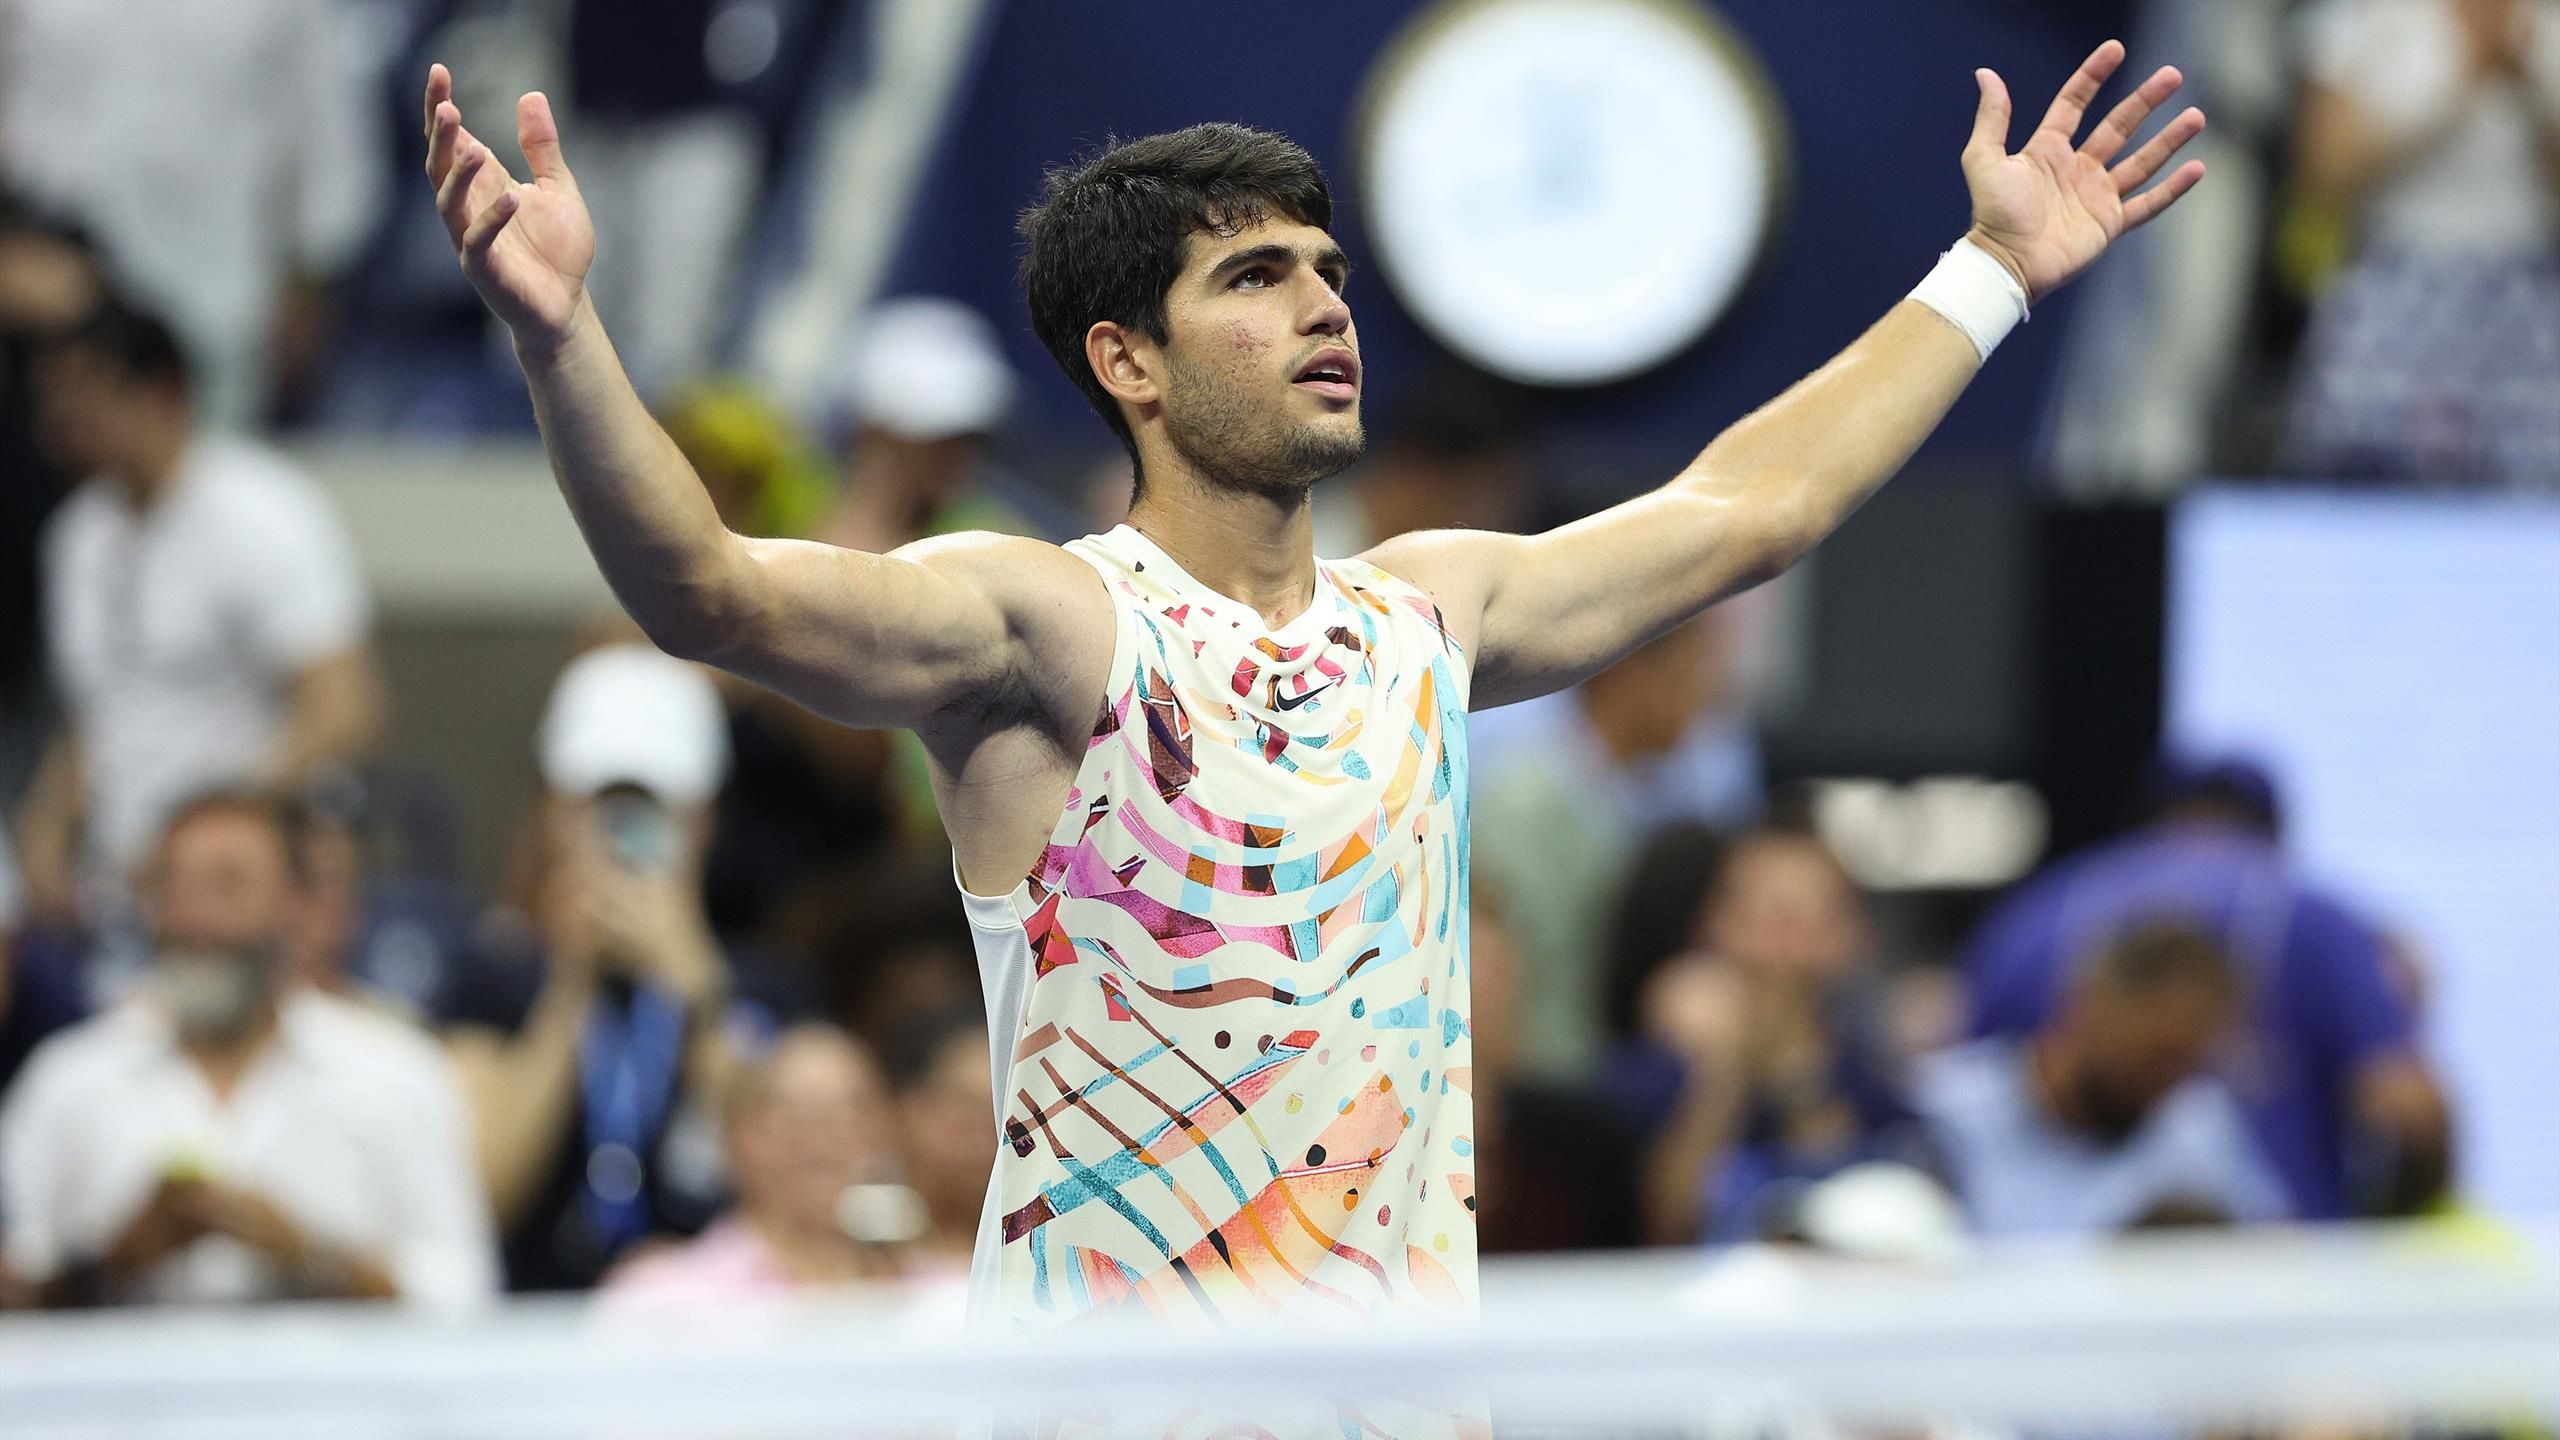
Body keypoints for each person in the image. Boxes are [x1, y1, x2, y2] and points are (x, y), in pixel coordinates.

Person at [419, 40, 2206, 1337]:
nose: (1327, 308)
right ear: (1126, 358)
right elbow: (708, 589)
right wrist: (564, 340)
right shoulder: (1045, 623)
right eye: (1257, 279)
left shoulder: (1428, 614)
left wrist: (1991, 274)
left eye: (1331, 273)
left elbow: (1758, 504)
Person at [0, 789, 495, 1308]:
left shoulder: (395, 1074)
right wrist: (112, 1261)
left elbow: (466, 1293)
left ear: (295, 905)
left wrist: (313, 1257)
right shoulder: (69, 1080)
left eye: (228, 885)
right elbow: (14, 1297)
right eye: (171, 887)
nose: (197, 921)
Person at [14, 296, 384, 934]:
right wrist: (46, 828)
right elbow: (97, 714)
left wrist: (199, 835)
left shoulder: (262, 511)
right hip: (116, 894)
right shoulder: (76, 537)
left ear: (162, 390)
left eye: (84, 391)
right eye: (52, 396)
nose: (61, 416)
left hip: (241, 886)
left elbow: (342, 710)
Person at [1961, 757, 2453, 1220]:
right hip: (2259, 1278)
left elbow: (1968, 1066)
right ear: (2273, 833)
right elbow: (2411, 1111)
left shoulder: (2038, 912)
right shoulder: (2314, 917)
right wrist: (2378, 1244)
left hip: (2013, 1276)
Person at [441, 643, 791, 1292]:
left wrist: (699, 993)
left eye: (650, 811)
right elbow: (479, 1196)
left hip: (715, 1331)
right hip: (529, 1326)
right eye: (602, 809)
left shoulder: (764, 985)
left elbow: (792, 1188)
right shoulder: (494, 975)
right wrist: (568, 987)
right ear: (553, 814)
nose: (625, 839)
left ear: (704, 820)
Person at [0, 0, 384, 427]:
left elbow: (324, 147)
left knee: (203, 481)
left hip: (212, 302)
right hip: (44, 298)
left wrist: (307, 285)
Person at [2280, 0, 2560, 484]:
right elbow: (2324, 168)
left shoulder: (2546, 24)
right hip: (2395, 285)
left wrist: (2529, 81)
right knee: (2365, 485)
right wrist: (2462, 75)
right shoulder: (2363, 15)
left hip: (2530, 295)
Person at [1633, 826, 1933, 1246]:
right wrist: (1723, 1075)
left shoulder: (1880, 1097)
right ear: (1715, 922)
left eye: (1804, 922)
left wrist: (1799, 1078)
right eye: (1763, 917)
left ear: (1849, 937)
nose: (1781, 949)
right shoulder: (1648, 1082)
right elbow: (1662, 1230)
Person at [1920, 923, 2288, 1238]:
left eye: (2189, 1064)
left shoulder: (2199, 1128)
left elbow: (2274, 1259)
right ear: (2081, 1009)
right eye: (2157, 1057)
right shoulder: (1938, 1113)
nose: (2169, 1083)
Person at [600, 1023, 908, 1306]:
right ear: (737, 1135)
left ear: (885, 1133)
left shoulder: (934, 1296)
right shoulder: (659, 1297)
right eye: (794, 1113)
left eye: (849, 1111)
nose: (821, 1138)